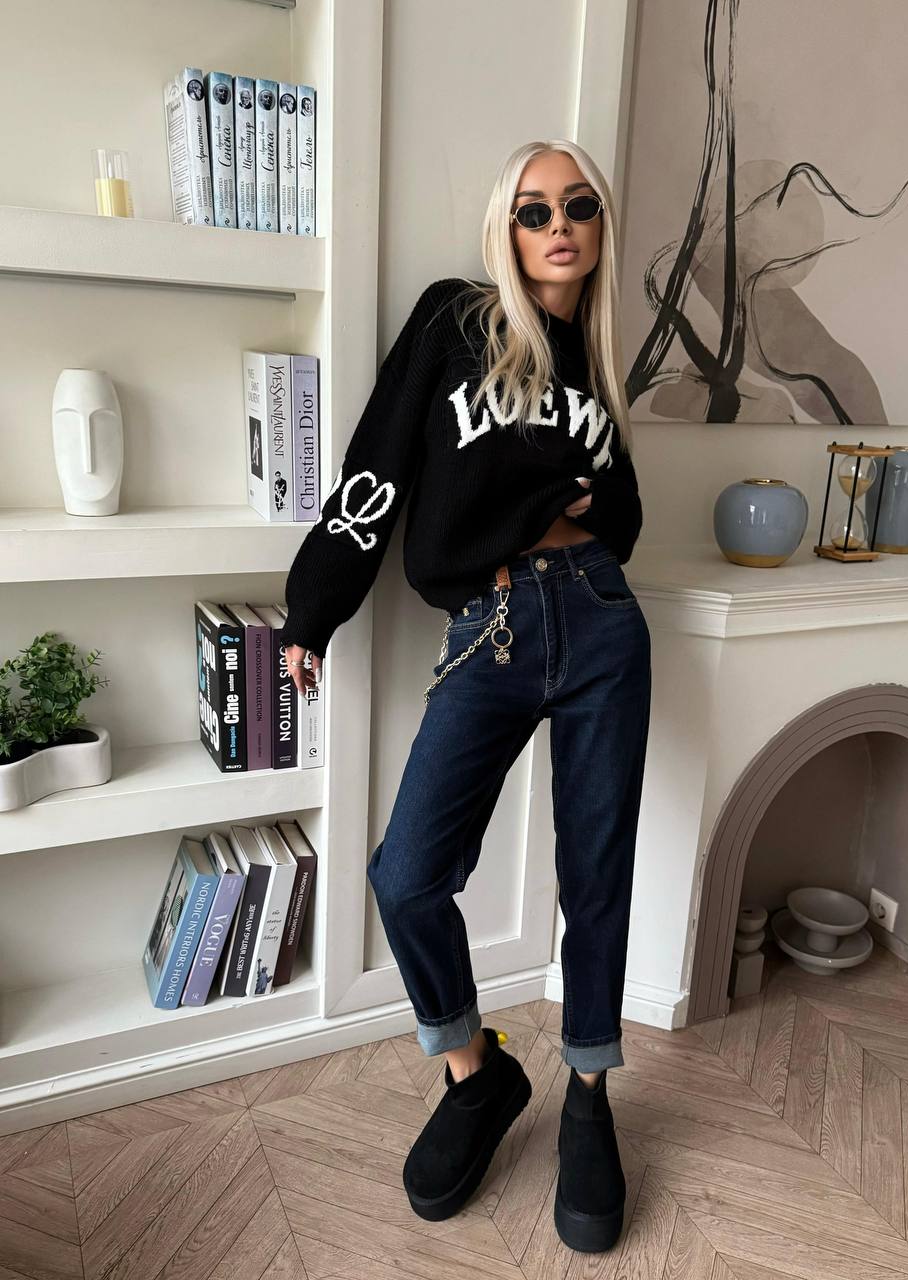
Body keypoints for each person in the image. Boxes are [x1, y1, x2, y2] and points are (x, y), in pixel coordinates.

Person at [278, 139, 651, 1254]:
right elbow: (379, 464)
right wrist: (313, 608)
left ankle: (589, 1096)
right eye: (535, 210)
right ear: (507, 227)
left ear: (600, 226)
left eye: (578, 206)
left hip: (602, 618)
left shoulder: (599, 364)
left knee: (598, 876)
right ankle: (476, 1072)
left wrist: (586, 502)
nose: (558, 226)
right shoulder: (458, 320)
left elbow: (625, 514)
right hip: (489, 625)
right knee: (406, 874)